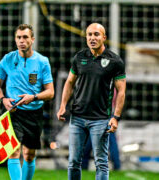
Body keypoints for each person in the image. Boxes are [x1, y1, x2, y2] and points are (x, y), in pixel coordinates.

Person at [57, 23, 126, 180]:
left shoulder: (115, 61)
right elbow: (69, 82)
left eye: (96, 34)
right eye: (89, 34)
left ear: (104, 37)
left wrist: (116, 117)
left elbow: (121, 91)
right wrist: (62, 106)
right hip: (77, 118)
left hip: (101, 119)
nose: (92, 38)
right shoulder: (79, 57)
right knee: (73, 162)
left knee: (101, 163)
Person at [0, 24, 54, 180]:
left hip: (34, 112)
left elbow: (50, 92)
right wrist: (3, 99)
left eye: (25, 37)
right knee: (13, 151)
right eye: (18, 37)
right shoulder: (8, 59)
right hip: (13, 112)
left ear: (32, 39)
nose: (21, 40)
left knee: (29, 154)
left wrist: (33, 97)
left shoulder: (42, 61)